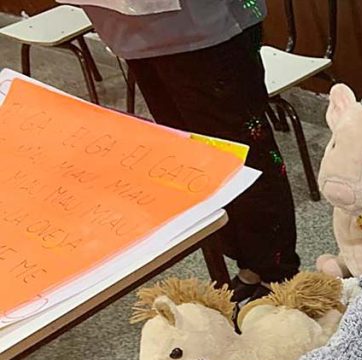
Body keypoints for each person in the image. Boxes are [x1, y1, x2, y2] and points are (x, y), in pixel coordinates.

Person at [76, 0, 301, 301]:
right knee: (197, 158)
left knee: (244, 154)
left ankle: (277, 272)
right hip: (126, 29)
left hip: (203, 30)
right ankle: (250, 264)